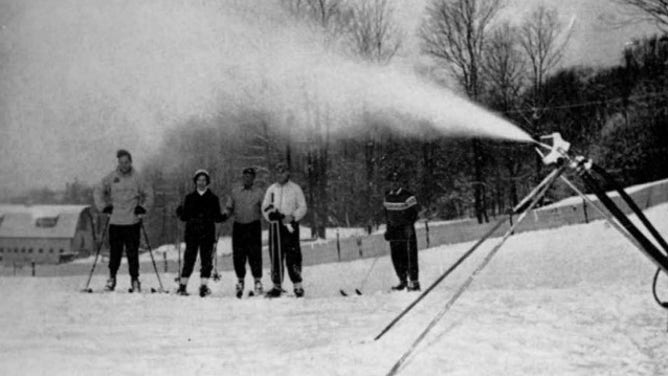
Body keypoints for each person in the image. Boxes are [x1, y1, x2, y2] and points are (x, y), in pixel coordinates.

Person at [94, 149, 154, 292]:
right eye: (121, 162)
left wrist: (143, 208)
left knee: (133, 253)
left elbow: (149, 193)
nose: (124, 165)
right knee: (115, 253)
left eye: (126, 162)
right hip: (115, 222)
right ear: (118, 163)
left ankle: (135, 280)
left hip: (132, 221)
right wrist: (103, 207)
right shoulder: (112, 177)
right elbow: (98, 190)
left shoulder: (138, 178)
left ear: (130, 162)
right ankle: (112, 279)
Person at [175, 169, 227, 297]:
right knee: (189, 259)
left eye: (204, 180)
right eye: (199, 180)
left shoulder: (213, 198)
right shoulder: (189, 198)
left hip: (208, 233)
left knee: (206, 260)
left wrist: (223, 217)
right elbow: (185, 217)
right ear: (195, 181)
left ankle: (203, 286)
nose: (201, 182)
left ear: (207, 182)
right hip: (192, 233)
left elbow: (216, 217)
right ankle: (183, 286)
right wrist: (180, 213)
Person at [261, 162, 307, 298]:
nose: (280, 175)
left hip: (290, 226)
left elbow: (303, 207)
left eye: (283, 172)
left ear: (288, 173)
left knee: (293, 255)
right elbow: (265, 206)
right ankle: (277, 285)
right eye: (278, 172)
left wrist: (292, 217)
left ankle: (297, 285)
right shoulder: (271, 189)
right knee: (275, 255)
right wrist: (271, 215)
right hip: (275, 227)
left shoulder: (295, 189)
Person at [225, 167, 265, 298]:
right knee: (239, 255)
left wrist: (270, 215)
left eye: (250, 176)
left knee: (255, 254)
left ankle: (257, 281)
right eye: (245, 176)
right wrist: (224, 215)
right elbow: (229, 207)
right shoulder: (235, 191)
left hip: (254, 226)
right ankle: (240, 281)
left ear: (254, 178)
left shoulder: (259, 192)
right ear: (243, 177)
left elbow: (264, 208)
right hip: (239, 226)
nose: (248, 178)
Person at [383, 171, 420, 292]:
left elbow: (414, 213)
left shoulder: (408, 196)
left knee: (409, 256)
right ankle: (402, 281)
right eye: (391, 182)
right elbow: (387, 215)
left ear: (399, 183)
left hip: (406, 230)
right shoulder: (387, 196)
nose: (393, 184)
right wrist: (388, 230)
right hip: (394, 230)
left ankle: (414, 282)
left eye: (396, 181)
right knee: (396, 257)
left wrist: (408, 226)